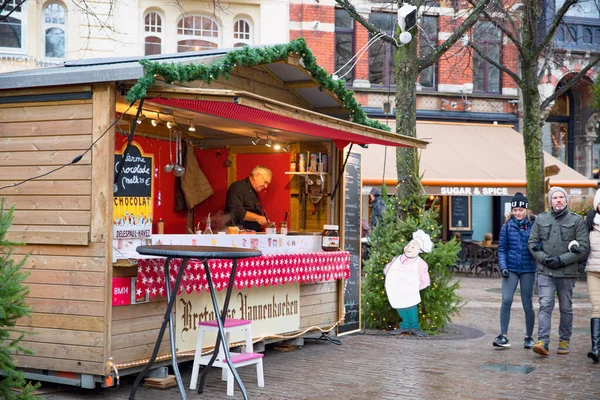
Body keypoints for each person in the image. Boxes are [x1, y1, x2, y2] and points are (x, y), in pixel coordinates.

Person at [528, 186, 589, 356]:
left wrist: (562, 260)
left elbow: (583, 248)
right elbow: (532, 243)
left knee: (566, 307)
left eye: (561, 197)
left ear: (566, 200)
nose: (559, 200)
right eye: (555, 198)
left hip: (567, 272)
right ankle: (543, 341)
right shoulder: (540, 219)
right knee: (545, 304)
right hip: (545, 271)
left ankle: (564, 340)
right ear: (550, 202)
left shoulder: (576, 221)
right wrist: (545, 258)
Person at [493, 192, 536, 350]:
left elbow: (538, 245)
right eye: (515, 210)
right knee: (506, 300)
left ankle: (528, 337)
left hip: (528, 269)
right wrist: (503, 267)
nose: (517, 212)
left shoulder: (534, 225)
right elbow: (502, 249)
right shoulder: (506, 226)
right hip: (510, 268)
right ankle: (503, 335)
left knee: (527, 303)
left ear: (526, 209)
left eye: (520, 210)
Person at [384, 229, 432, 336]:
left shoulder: (420, 263)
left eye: (413, 247)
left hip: (410, 291)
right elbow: (388, 269)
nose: (409, 248)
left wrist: (415, 287)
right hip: (396, 291)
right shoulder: (397, 258)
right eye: (408, 245)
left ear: (420, 250)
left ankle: (414, 326)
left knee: (410, 307)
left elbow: (425, 279)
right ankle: (404, 324)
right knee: (400, 306)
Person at [225, 166, 272, 231]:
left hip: (250, 234)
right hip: (237, 234)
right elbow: (236, 211)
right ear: (256, 176)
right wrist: (258, 218)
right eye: (265, 182)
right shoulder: (237, 187)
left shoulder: (254, 192)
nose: (266, 186)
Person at [584, 189, 600, 363]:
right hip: (593, 271)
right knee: (597, 308)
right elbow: (582, 245)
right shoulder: (589, 223)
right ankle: (595, 348)